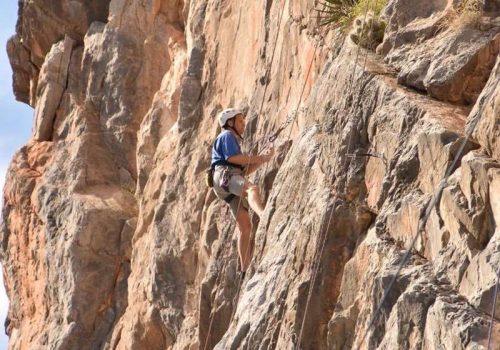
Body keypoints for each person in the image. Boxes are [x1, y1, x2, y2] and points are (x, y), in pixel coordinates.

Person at [211, 108, 274, 273]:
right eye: (240, 121)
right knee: (251, 189)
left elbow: (243, 170)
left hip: (226, 182)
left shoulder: (231, 141)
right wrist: (258, 157)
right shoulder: (227, 135)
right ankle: (263, 214)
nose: (243, 124)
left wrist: (263, 159)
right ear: (229, 123)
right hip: (225, 176)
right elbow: (232, 159)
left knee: (245, 226)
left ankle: (244, 269)